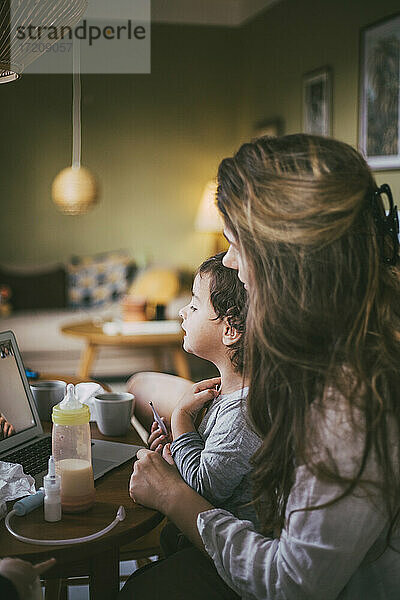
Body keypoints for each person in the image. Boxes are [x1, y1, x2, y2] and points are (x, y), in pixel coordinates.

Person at [119, 134, 400, 599]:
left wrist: (174, 495)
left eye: (235, 244)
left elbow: (291, 584)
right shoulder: (327, 344)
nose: (231, 261)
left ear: (286, 260)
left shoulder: (352, 403)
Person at [133, 253, 261, 530]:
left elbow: (204, 489)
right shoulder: (229, 394)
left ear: (230, 329)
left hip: (218, 551)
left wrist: (181, 421)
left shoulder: (242, 414)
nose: (183, 312)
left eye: (193, 305)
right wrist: (179, 448)